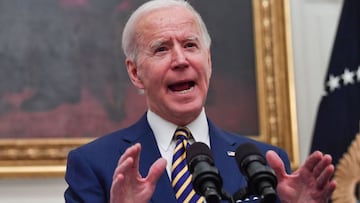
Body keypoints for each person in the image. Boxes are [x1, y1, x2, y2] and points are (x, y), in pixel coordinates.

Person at [64, 0, 336, 202]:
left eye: (190, 45)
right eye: (161, 49)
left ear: (208, 60)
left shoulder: (263, 161)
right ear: (135, 73)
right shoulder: (94, 164)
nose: (180, 60)